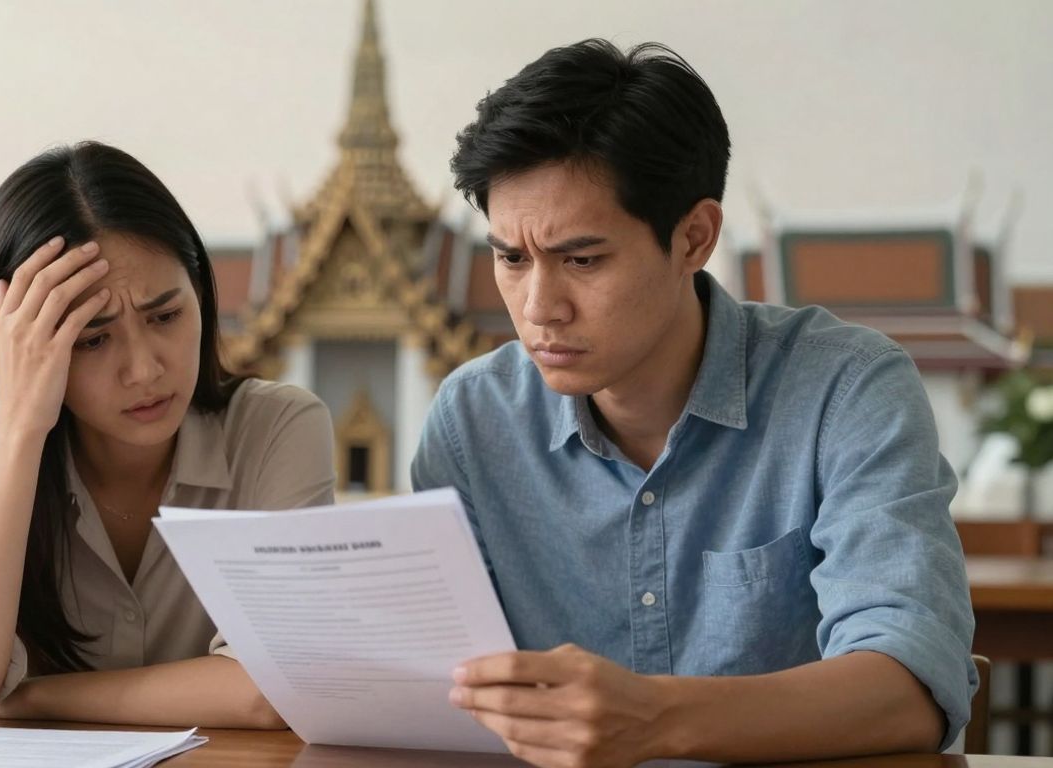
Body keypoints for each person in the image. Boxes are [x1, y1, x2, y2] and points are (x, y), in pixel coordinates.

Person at [412, 39, 976, 767]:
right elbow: (430, 684)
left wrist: (651, 719)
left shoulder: (845, 390)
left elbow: (910, 687)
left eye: (582, 260)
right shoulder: (471, 422)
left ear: (693, 238)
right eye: (511, 258)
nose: (539, 307)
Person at [0, 141, 334, 729]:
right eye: (92, 339)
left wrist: (33, 697)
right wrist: (18, 423)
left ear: (201, 296)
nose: (144, 369)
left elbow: (272, 690)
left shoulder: (277, 430)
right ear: (18, 342)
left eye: (166, 316)